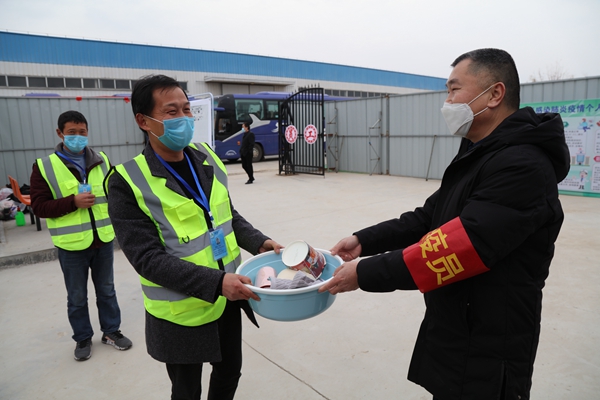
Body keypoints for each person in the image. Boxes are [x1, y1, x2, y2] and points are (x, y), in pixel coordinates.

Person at [319, 48, 569, 400]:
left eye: (454, 90)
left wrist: (364, 273)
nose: (447, 101)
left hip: (491, 341)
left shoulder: (522, 165)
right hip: (458, 326)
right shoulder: (478, 151)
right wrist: (364, 240)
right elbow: (429, 217)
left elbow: (460, 245)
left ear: (495, 94)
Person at [106, 74, 282, 400]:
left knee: (229, 372)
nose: (184, 118)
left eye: (187, 109)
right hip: (182, 310)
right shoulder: (127, 180)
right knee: (186, 391)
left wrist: (261, 242)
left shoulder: (207, 158)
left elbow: (226, 217)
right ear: (144, 120)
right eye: (172, 112)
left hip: (228, 297)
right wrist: (217, 283)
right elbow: (147, 259)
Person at [30, 110, 132, 361]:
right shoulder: (44, 166)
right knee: (77, 297)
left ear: (88, 132)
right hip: (72, 245)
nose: (77, 137)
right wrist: (72, 202)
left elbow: (116, 196)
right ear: (60, 133)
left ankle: (111, 332)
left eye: (82, 132)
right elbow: (39, 207)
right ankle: (82, 338)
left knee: (107, 290)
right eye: (72, 132)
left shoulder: (103, 160)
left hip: (103, 240)